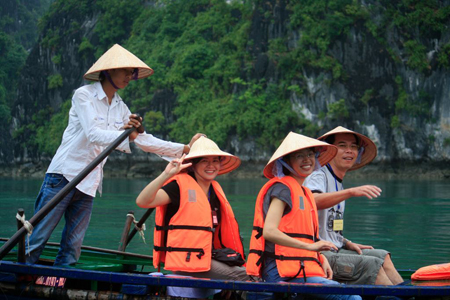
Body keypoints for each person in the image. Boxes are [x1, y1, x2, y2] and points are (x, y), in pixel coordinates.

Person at [26, 44, 202, 266]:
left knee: (73, 245)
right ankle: (19, 276)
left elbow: (144, 140)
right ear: (109, 71)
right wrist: (125, 134)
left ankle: (61, 284)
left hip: (89, 181)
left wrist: (186, 148)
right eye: (126, 71)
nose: (130, 76)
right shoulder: (84, 95)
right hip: (63, 175)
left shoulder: (120, 107)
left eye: (132, 72)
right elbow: (93, 134)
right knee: (39, 235)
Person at [246, 131, 361, 300]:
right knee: (352, 298)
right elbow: (269, 231)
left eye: (310, 155)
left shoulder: (305, 192)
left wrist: (320, 257)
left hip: (301, 267)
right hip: (281, 270)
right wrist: (309, 248)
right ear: (287, 161)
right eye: (299, 156)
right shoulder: (282, 189)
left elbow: (307, 235)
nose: (307, 160)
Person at [136, 136, 249, 282]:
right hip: (185, 261)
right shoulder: (178, 186)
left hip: (206, 258)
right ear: (193, 165)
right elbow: (142, 201)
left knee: (251, 272)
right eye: (204, 161)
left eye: (215, 161)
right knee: (247, 276)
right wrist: (167, 174)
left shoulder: (215, 192)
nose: (211, 166)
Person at [303, 126, 404, 285]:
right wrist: (351, 192)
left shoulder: (338, 183)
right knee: (371, 265)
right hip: (319, 255)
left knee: (382, 256)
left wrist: (346, 242)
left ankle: (404, 294)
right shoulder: (318, 174)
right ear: (328, 151)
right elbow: (313, 200)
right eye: (342, 146)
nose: (349, 151)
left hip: (336, 249)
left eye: (353, 147)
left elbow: (328, 226)